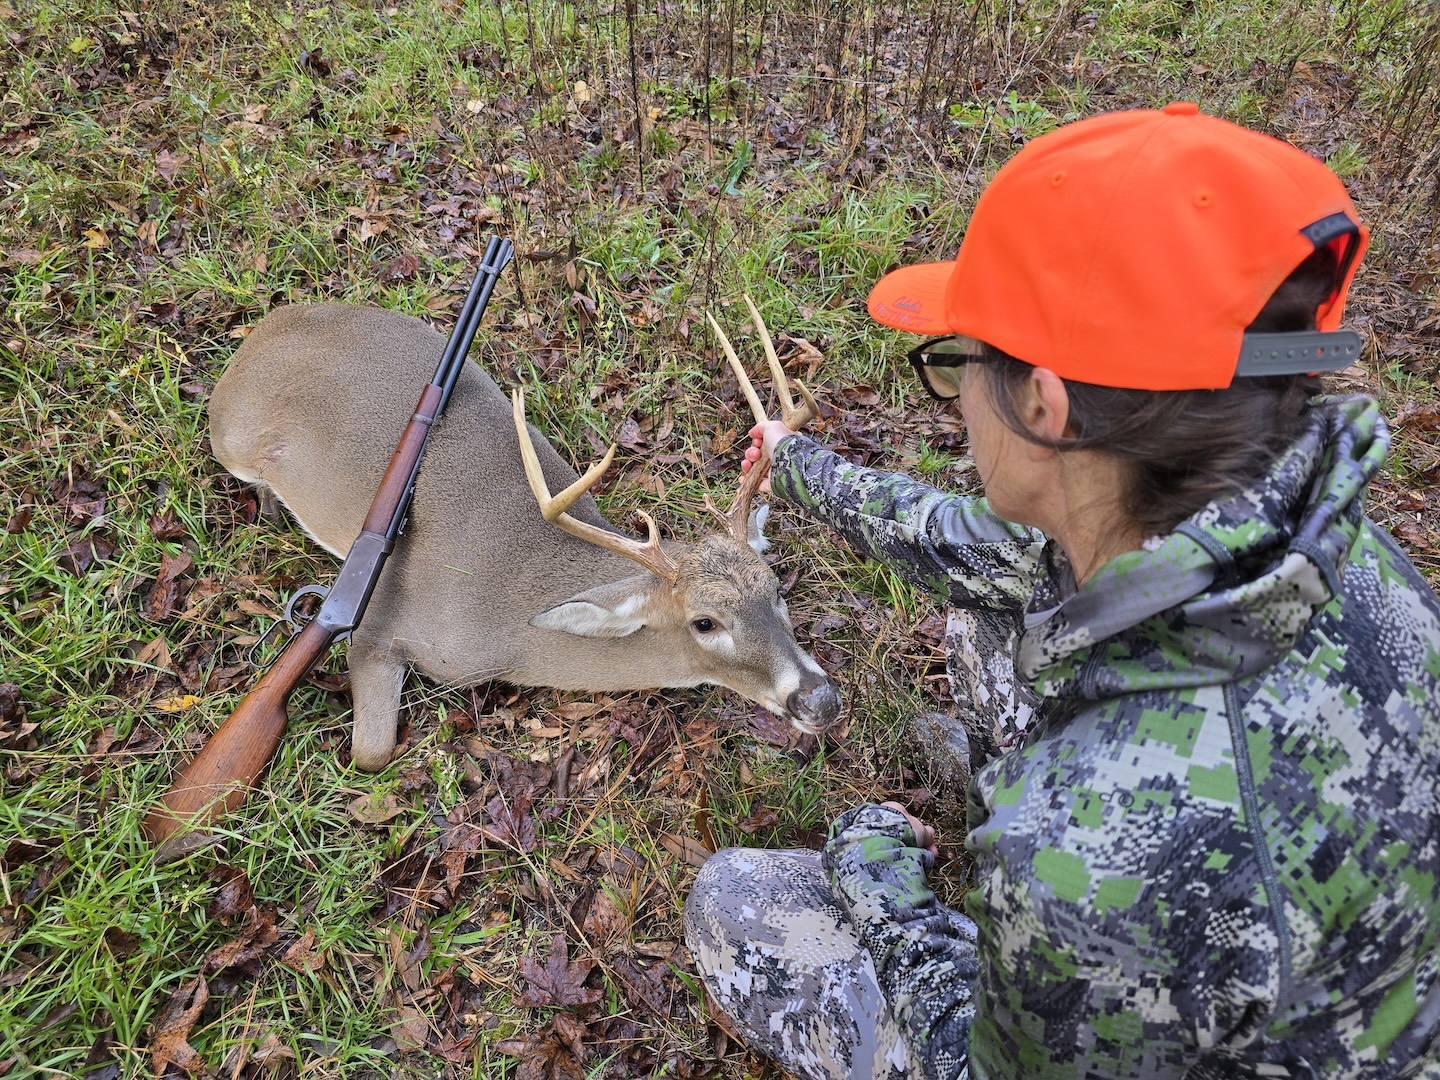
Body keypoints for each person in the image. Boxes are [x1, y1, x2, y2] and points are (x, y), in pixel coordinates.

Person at [682, 103, 1440, 1080]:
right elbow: (979, 545)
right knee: (990, 612)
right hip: (1316, 977)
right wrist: (803, 469)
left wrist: (882, 881)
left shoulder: (1085, 851)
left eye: (961, 361)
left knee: (735, 902)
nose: (958, 395)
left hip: (1119, 904)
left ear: (1044, 404)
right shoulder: (1327, 552)